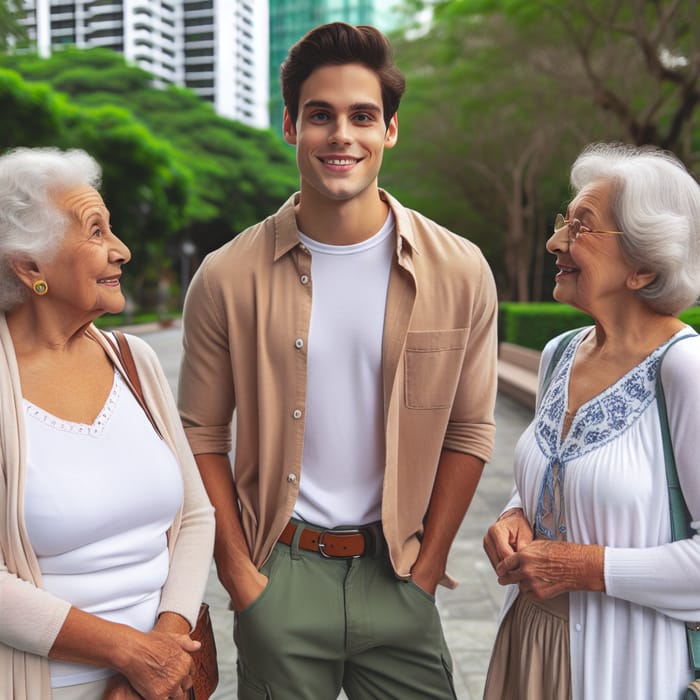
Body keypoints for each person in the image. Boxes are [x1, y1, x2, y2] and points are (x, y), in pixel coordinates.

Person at [178, 21, 498, 700]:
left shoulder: (459, 269)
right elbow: (200, 436)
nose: (341, 135)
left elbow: (470, 430)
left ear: (391, 130)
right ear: (291, 127)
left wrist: (428, 563)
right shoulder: (226, 276)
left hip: (399, 575)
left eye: (363, 116)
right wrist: (242, 577)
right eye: (321, 116)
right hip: (281, 575)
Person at [483, 143, 700, 699]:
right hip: (528, 644)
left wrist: (585, 568)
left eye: (581, 227)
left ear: (644, 265)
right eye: (564, 220)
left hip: (624, 667)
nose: (555, 241)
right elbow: (558, 474)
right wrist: (514, 513)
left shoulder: (685, 370)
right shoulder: (561, 352)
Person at [0, 147, 215, 700]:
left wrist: (163, 650)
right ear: (29, 267)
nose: (121, 250)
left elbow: (195, 517)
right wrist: (128, 652)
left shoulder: (134, 359)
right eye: (96, 232)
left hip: (161, 685)